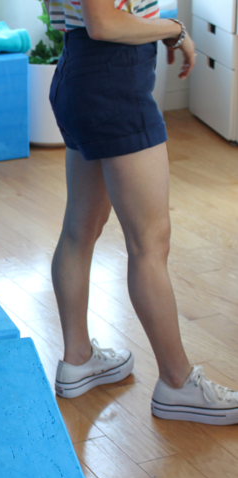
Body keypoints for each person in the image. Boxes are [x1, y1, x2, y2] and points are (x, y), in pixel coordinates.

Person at [44, 0, 238, 425]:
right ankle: (177, 382)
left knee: (80, 229)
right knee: (149, 243)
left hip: (81, 72)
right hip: (112, 79)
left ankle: (78, 359)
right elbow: (103, 22)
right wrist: (172, 28)